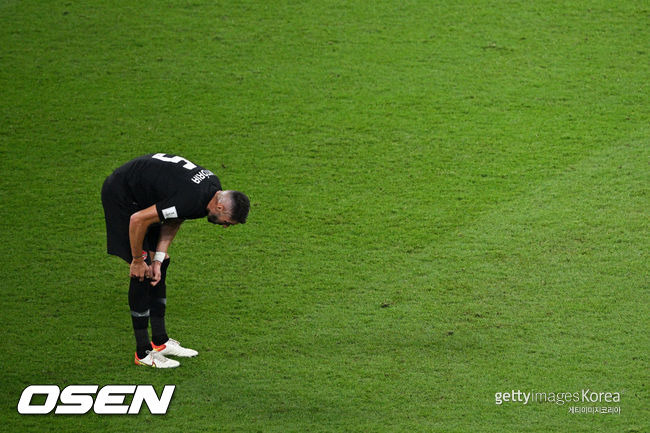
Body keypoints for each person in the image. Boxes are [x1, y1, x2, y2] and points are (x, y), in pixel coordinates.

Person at [101, 153, 250, 368]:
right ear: (220, 208)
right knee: (142, 271)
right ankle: (143, 352)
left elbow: (175, 218)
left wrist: (159, 259)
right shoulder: (192, 197)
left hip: (145, 196)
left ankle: (160, 341)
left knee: (158, 262)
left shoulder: (210, 192)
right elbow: (137, 219)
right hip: (123, 196)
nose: (226, 227)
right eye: (228, 222)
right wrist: (137, 260)